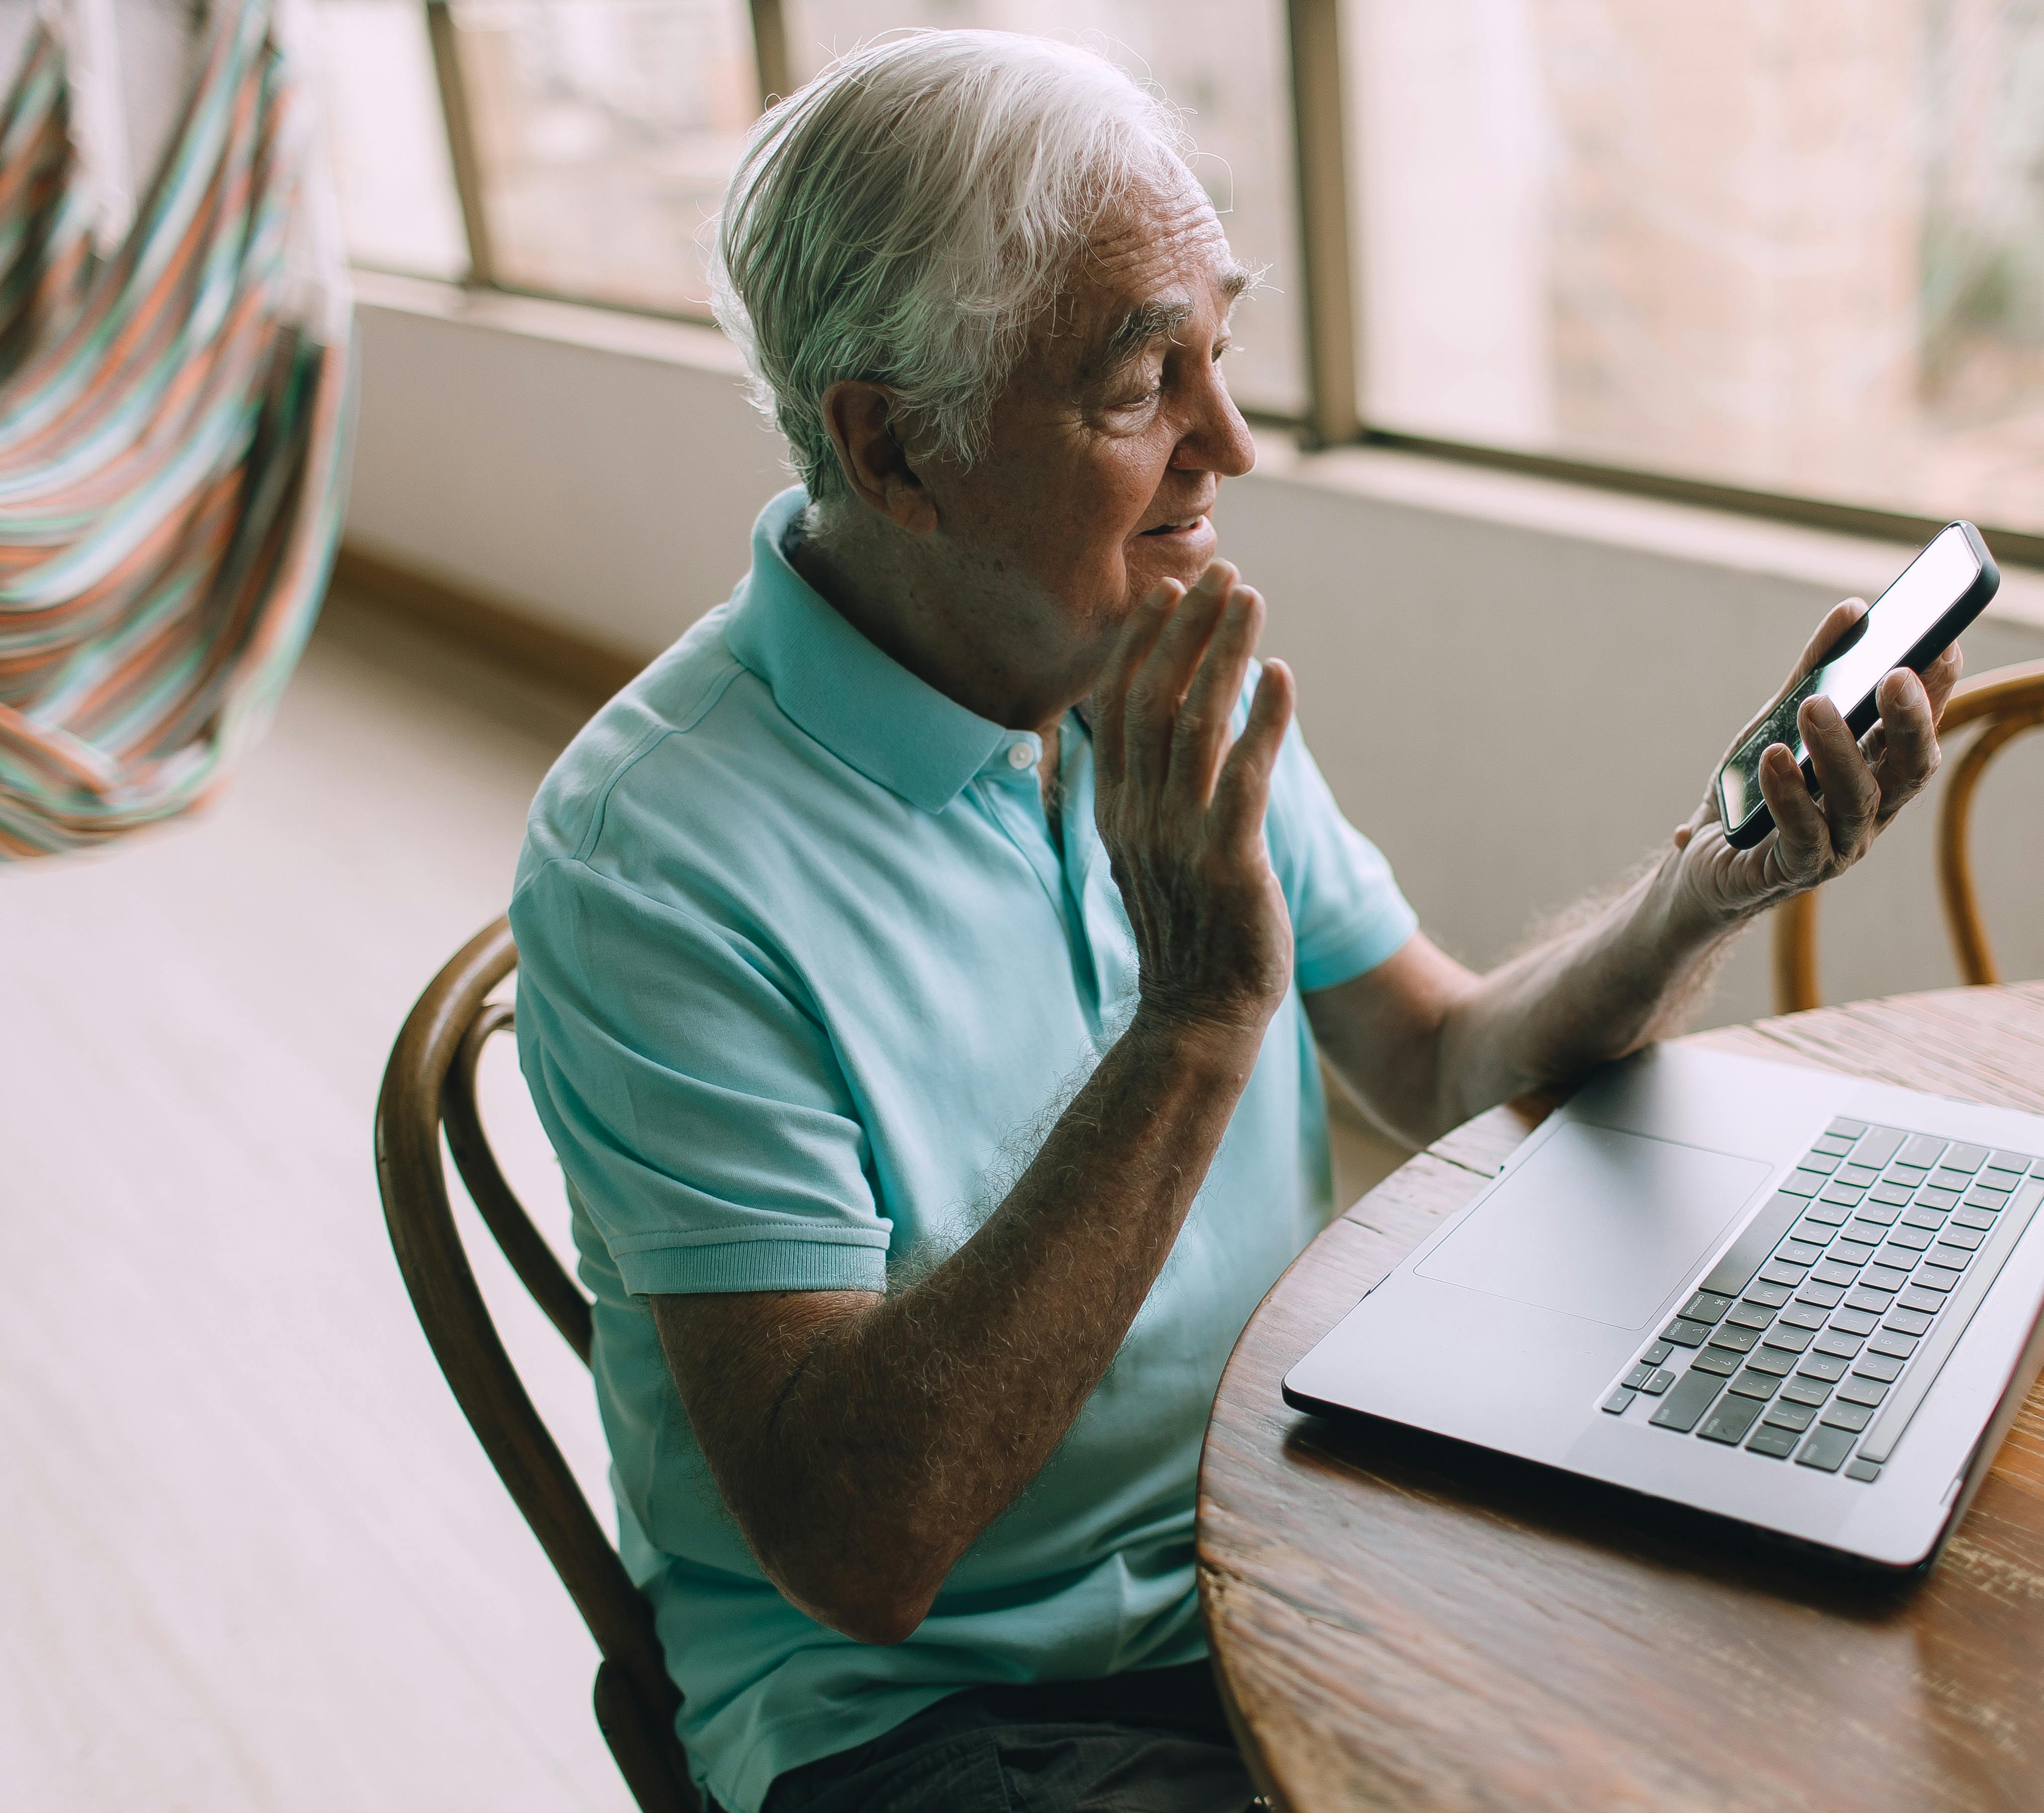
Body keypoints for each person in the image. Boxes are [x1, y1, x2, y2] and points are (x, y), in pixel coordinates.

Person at [508, 28, 1961, 1813]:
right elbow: (862, 1547)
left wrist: (1697, 892)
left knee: (1807, 1677)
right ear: (898, 451)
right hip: (935, 1718)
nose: (1233, 443)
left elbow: (1439, 1056)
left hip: (1282, 1534)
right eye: (1140, 382)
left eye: (1223, 346)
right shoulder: (647, 858)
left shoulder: (1141, 656)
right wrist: (1195, 1019)